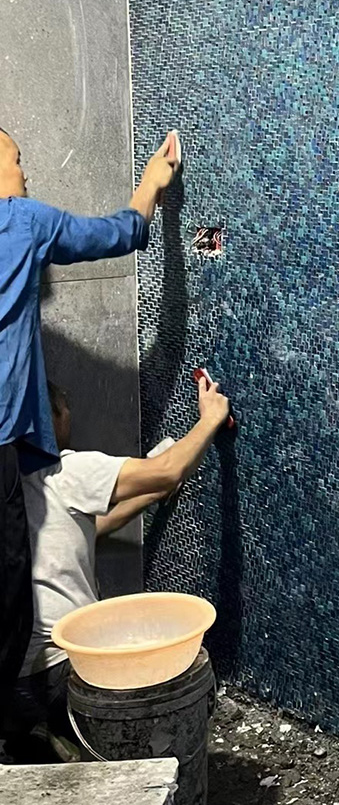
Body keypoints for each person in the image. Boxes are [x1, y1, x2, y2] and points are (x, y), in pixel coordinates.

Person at [0, 127, 178, 710]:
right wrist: (151, 184)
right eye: (16, 160)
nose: (25, 173)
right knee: (10, 601)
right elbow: (119, 233)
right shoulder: (21, 222)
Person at [10, 376, 230, 748]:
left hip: (12, 677)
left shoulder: (11, 482)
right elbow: (169, 468)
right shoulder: (64, 471)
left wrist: (152, 494)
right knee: (186, 680)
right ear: (52, 416)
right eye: (66, 410)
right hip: (63, 669)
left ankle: (42, 738)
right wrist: (210, 418)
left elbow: (83, 529)